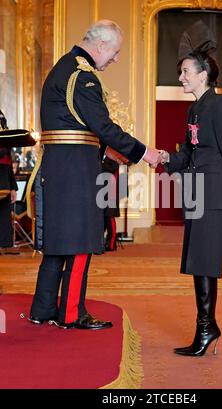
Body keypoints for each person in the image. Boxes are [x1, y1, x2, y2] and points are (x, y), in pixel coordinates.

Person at [28, 20, 161, 330]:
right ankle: (72, 314)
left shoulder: (63, 67)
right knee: (81, 240)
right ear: (101, 45)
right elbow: (103, 127)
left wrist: (108, 152)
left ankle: (42, 309)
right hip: (75, 172)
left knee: (59, 241)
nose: (114, 59)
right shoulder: (82, 75)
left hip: (60, 166)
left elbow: (75, 129)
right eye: (114, 52)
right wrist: (145, 152)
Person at [158, 48, 222, 356]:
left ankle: (206, 328)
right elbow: (189, 155)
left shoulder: (220, 105)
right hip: (198, 191)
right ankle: (207, 326)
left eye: (185, 71)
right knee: (199, 261)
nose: (181, 77)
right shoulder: (194, 109)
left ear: (203, 75)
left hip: (215, 191)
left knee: (206, 261)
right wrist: (166, 158)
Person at [0, 110, 17, 251]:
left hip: (4, 178)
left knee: (4, 214)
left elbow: (8, 161)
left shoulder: (2, 116)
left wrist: (13, 187)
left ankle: (4, 245)